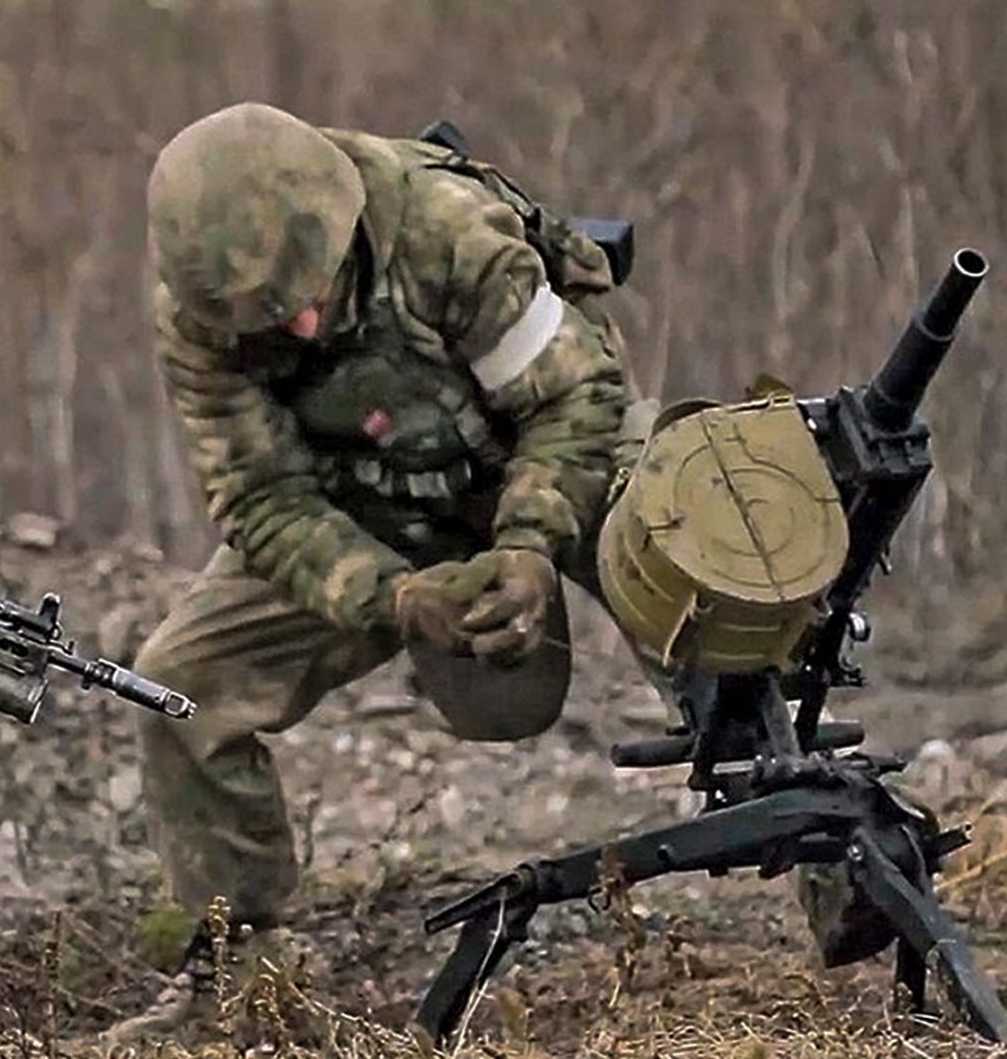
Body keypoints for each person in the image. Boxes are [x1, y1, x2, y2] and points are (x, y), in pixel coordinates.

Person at [109, 100, 647, 1036]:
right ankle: (238, 969)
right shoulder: (199, 321)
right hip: (374, 504)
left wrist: (525, 543)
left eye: (313, 293)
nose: (308, 325)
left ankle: (831, 850)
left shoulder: (446, 230)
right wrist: (394, 597)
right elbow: (263, 502)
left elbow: (578, 394)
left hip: (542, 450)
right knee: (180, 685)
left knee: (695, 547)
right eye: (278, 319)